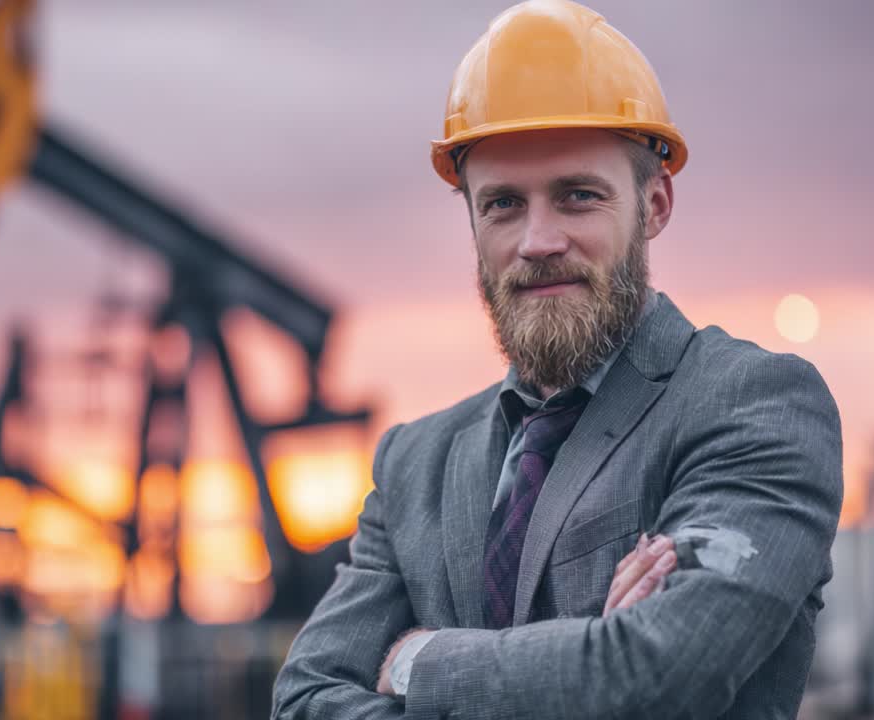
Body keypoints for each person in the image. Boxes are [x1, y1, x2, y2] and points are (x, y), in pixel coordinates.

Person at [272, 1, 843, 718]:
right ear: (472, 222)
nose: (538, 240)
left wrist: (420, 660)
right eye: (503, 204)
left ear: (655, 205)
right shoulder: (416, 466)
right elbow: (301, 701)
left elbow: (660, 670)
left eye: (578, 196)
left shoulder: (753, 406)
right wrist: (591, 660)